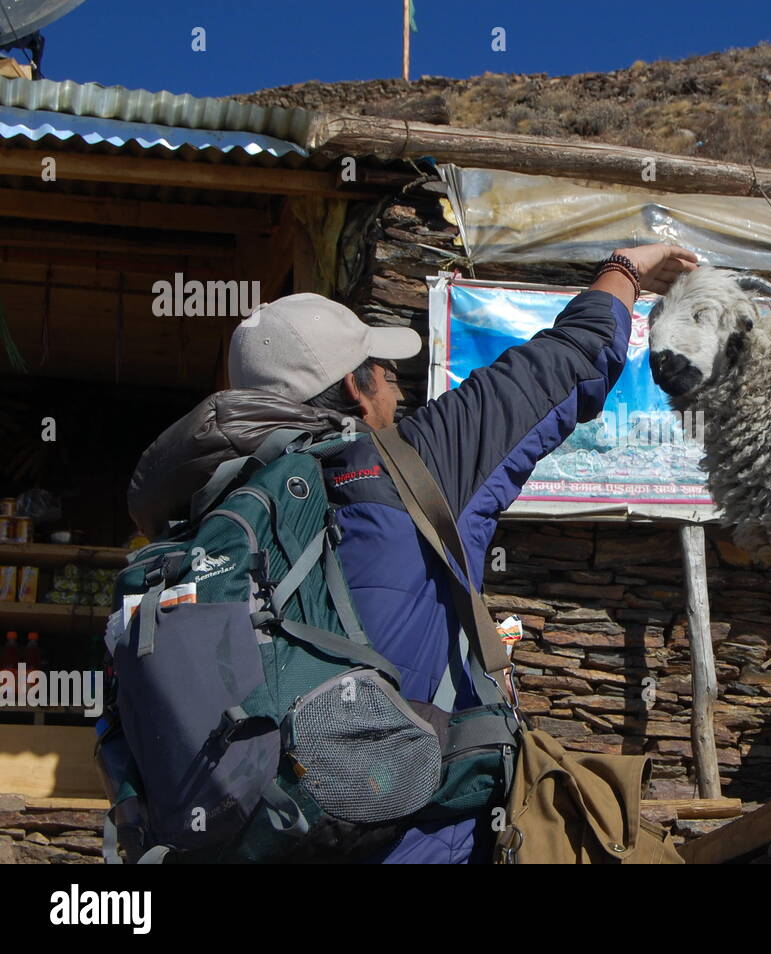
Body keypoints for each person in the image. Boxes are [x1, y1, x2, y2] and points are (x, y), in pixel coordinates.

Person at [127, 244, 698, 863]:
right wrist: (624, 269)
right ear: (356, 385)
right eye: (387, 373)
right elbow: (567, 360)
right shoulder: (412, 462)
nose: (397, 394)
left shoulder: (208, 523)